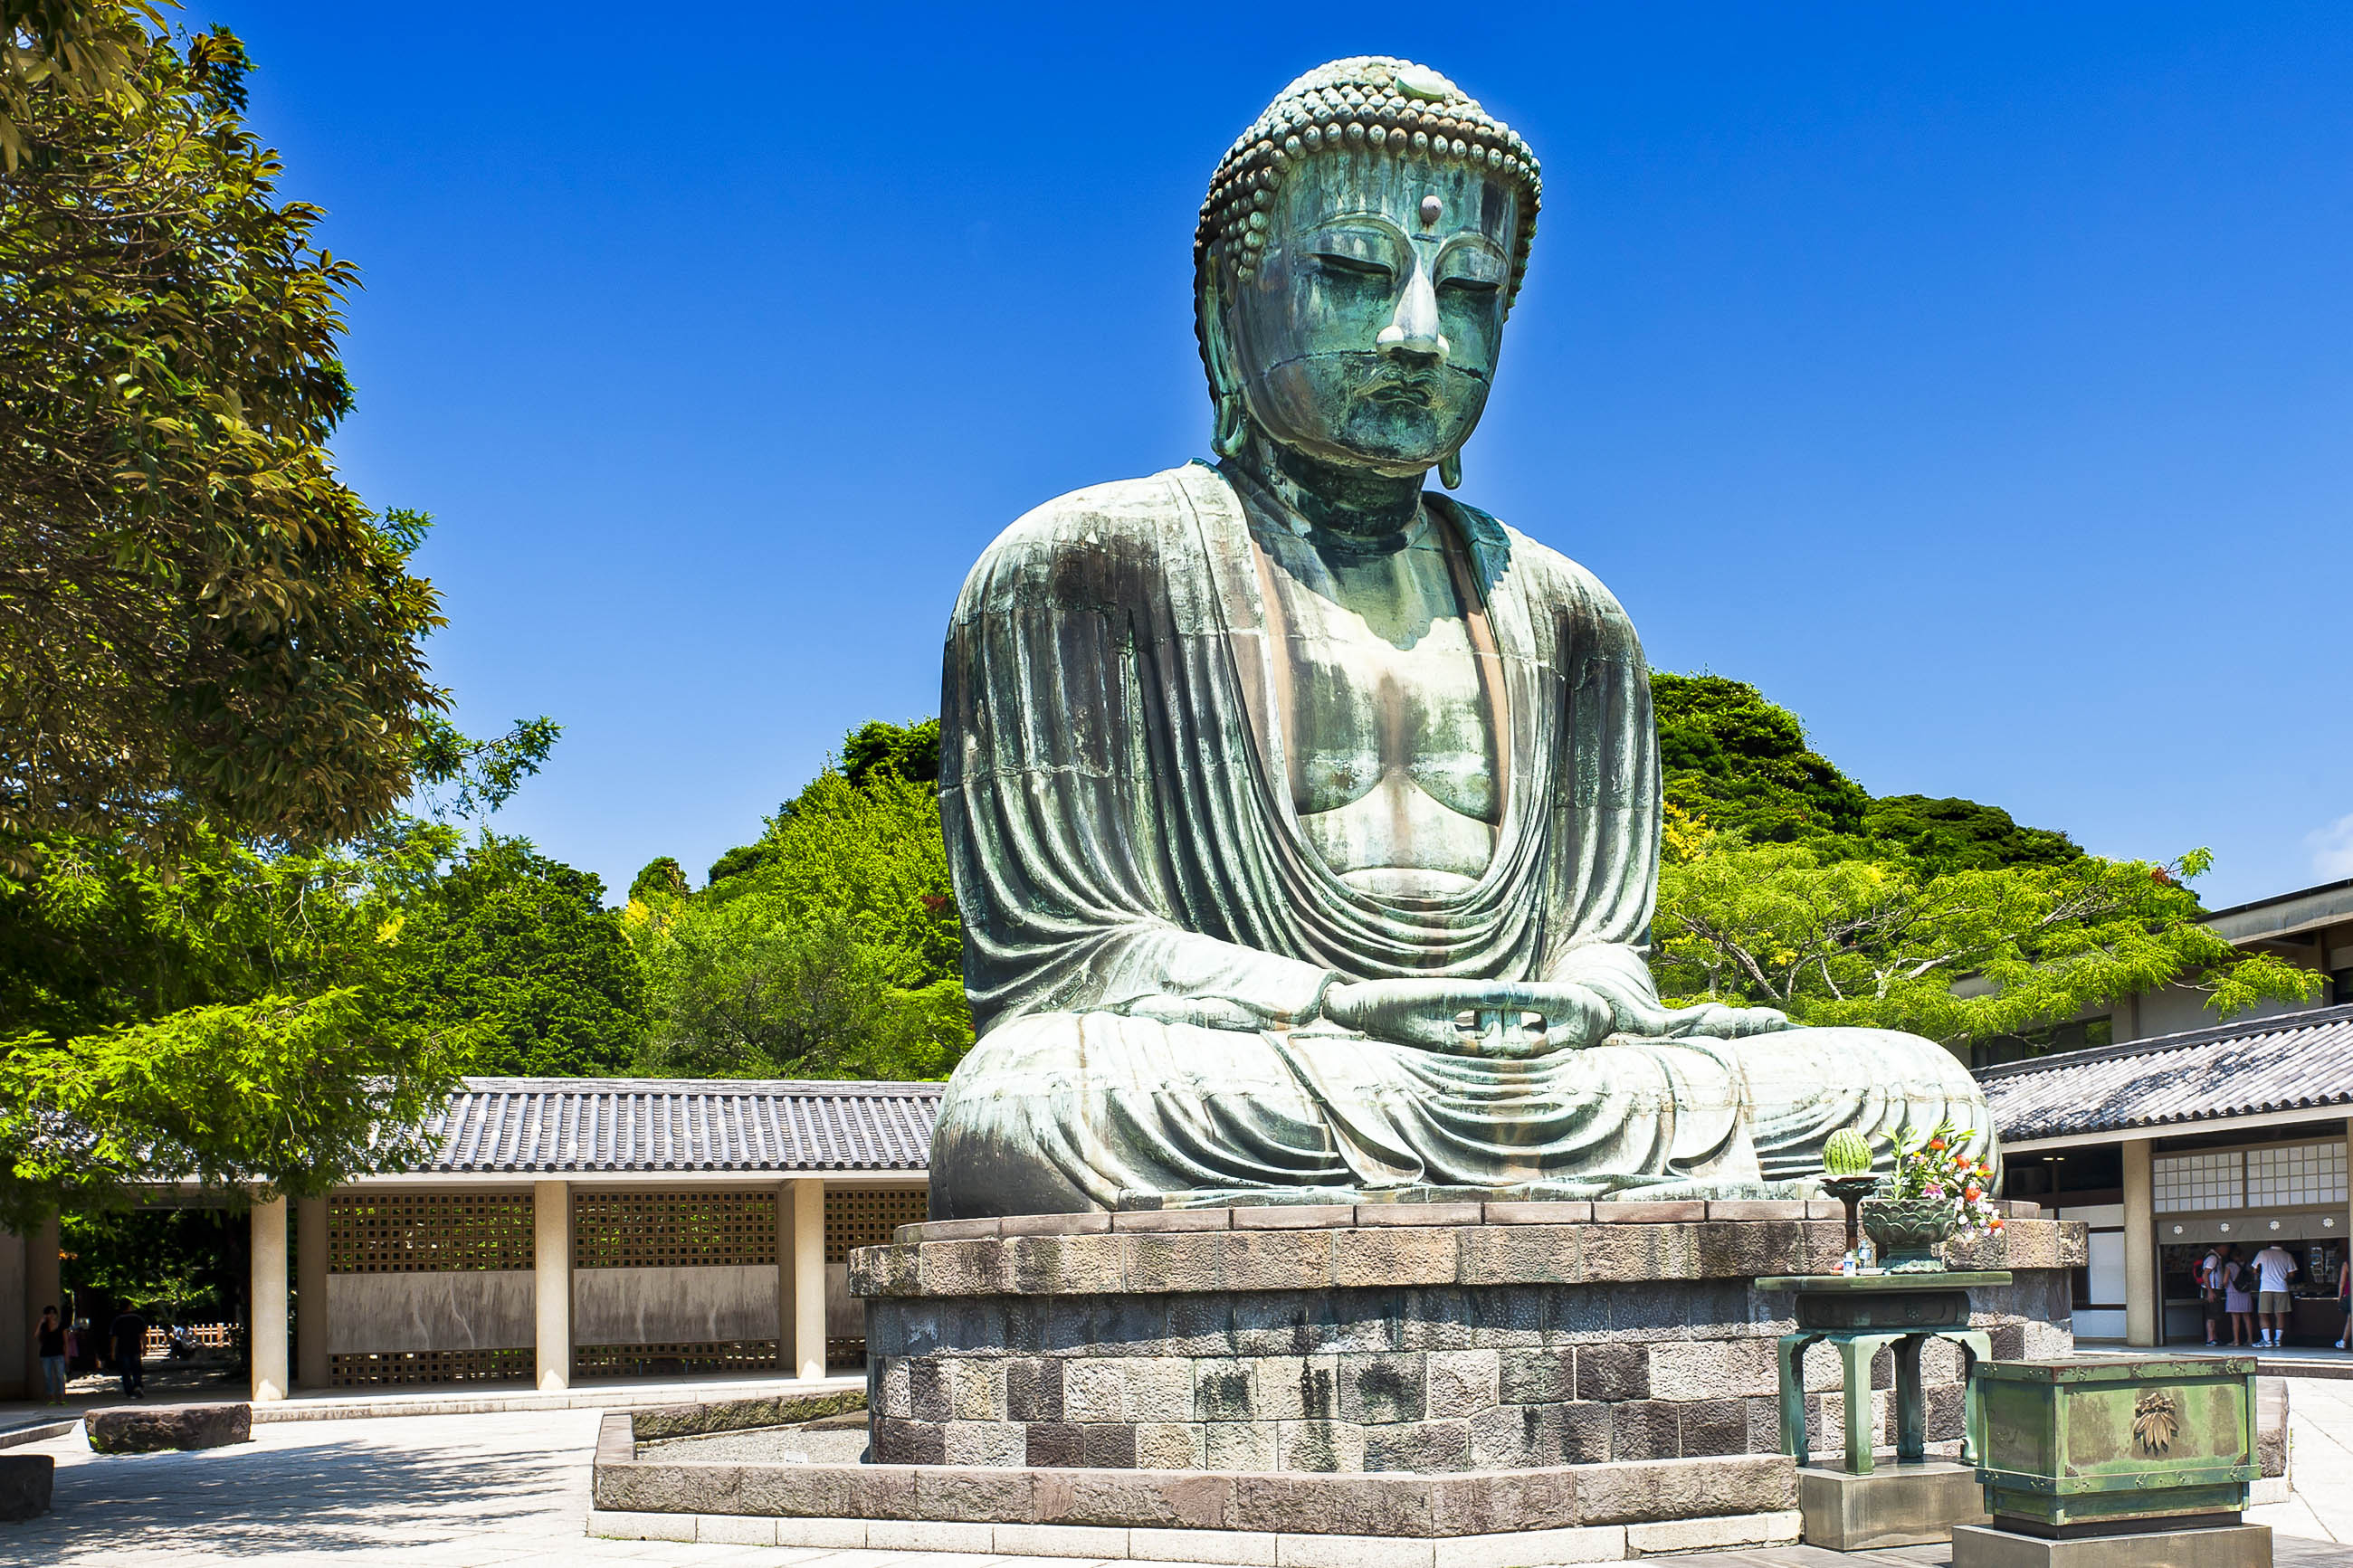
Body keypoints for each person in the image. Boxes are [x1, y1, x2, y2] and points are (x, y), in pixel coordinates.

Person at [924, 54, 1998, 1217]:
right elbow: (1067, 962)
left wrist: (1584, 998)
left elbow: (1598, 942)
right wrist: (1332, 1005)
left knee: (1917, 1095)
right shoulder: (1078, 566)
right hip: (1276, 1060)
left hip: (1548, 1076)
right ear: (1225, 307)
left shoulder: (1568, 613)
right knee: (1033, 1100)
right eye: (1351, 269)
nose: (1418, 332)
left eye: (1472, 289)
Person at [2252, 1240, 2301, 1348]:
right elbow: (2292, 1274)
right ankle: (2278, 1340)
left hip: (2266, 1287)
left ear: (2269, 1242)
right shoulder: (2287, 1255)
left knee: (2263, 1314)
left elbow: (2255, 1270)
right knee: (2280, 1314)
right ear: (2283, 1243)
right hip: (2281, 1287)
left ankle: (2267, 1340)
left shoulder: (2262, 1253)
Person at [110, 1307, 147, 1399]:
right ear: (130, 1306)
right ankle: (138, 1386)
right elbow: (142, 1335)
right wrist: (145, 1347)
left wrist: (113, 1351)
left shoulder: (117, 1320)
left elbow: (115, 1337)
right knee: (137, 1368)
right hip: (135, 1347)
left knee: (125, 1371)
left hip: (122, 1348)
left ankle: (130, 1392)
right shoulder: (138, 1318)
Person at [2223, 1246, 2256, 1347]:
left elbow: (2225, 1280)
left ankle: (2236, 1341)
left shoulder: (2229, 1265)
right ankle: (2250, 1339)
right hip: (2245, 1293)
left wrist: (2225, 1286)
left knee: (2235, 1319)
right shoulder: (2248, 1265)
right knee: (2247, 1318)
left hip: (2233, 1293)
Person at [35, 1307, 66, 1406]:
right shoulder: (44, 1327)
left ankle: (62, 1398)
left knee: (60, 1376)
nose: (51, 1315)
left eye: (53, 1313)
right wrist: (41, 1322)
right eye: (49, 1313)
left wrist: (67, 1355)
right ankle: (52, 1399)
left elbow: (66, 1342)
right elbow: (36, 1335)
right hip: (46, 1355)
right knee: (48, 1377)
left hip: (59, 1354)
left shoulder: (61, 1326)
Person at [2199, 1245, 2228, 1346]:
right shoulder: (2213, 1258)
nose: (2226, 1250)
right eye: (2225, 1247)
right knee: (2211, 1315)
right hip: (2212, 1289)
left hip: (2214, 1289)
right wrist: (2210, 1291)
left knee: (2215, 1315)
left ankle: (2214, 1338)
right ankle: (2210, 1339)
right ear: (2219, 1247)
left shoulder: (2214, 1257)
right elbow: (2205, 1274)